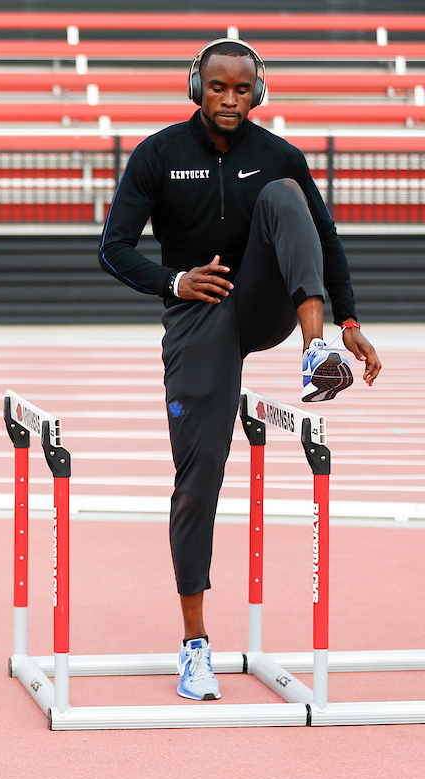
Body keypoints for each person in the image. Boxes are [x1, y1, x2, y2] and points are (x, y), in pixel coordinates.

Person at [98, 39, 382, 701]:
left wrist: (349, 322)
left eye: (242, 90)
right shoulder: (159, 154)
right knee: (198, 480)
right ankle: (195, 644)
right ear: (196, 87)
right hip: (199, 315)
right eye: (219, 88)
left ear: (260, 92)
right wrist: (174, 280)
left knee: (288, 198)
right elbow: (113, 249)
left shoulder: (276, 155)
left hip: (263, 303)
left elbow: (326, 238)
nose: (231, 101)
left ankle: (317, 356)